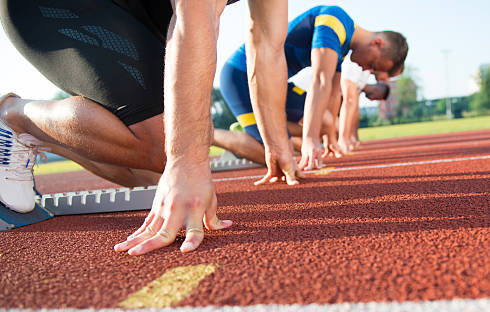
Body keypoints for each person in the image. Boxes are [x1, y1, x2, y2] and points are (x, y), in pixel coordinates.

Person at [0, 0, 298, 256]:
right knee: (172, 151)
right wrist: (187, 161)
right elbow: (194, 17)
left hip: (135, 16)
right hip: (58, 6)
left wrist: (276, 144)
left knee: (157, 172)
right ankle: (14, 115)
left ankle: (42, 137)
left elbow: (267, 46)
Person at [217, 5, 408, 170]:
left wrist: (330, 138)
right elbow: (320, 80)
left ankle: (260, 129)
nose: (366, 69)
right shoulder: (334, 22)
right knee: (277, 154)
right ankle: (212, 135)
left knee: (324, 123)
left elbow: (333, 91)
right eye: (373, 65)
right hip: (240, 77)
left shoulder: (343, 43)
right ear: (377, 44)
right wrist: (310, 138)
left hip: (273, 85)